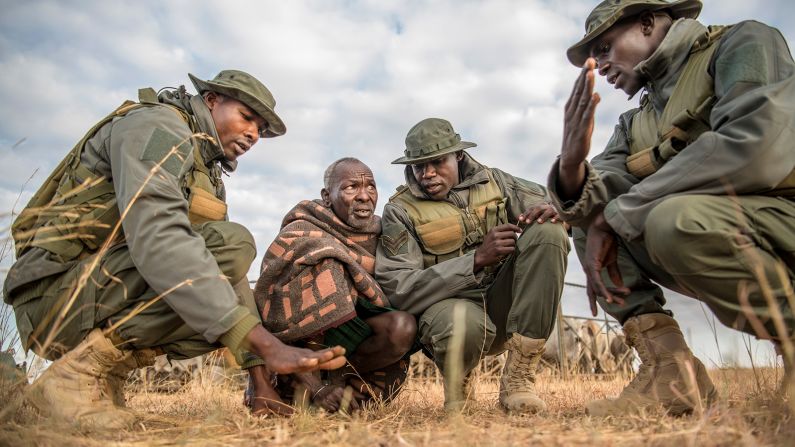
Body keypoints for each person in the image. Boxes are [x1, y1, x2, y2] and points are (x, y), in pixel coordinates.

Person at [4, 70, 346, 430]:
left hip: (97, 291)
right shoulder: (157, 126)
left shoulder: (207, 173)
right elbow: (159, 235)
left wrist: (259, 380)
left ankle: (101, 378)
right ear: (212, 100)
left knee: (220, 285)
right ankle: (75, 373)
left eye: (260, 129)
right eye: (247, 118)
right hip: (52, 301)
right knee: (234, 245)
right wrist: (264, 343)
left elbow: (225, 277)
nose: (252, 135)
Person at [549, 0, 795, 416]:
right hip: (722, 228)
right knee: (590, 221)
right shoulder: (635, 122)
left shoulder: (741, 43)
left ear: (648, 22)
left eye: (605, 48)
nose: (600, 65)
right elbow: (601, 191)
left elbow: (755, 144)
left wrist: (619, 214)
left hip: (780, 221)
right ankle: (671, 373)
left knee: (666, 220)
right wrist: (571, 167)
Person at [375, 118, 570, 413]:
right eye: (418, 166)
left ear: (459, 156)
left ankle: (519, 379)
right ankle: (459, 387)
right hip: (451, 313)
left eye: (437, 162)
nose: (427, 174)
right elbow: (398, 289)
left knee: (549, 230)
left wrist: (561, 210)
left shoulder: (498, 183)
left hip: (507, 308)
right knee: (461, 321)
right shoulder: (400, 211)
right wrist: (476, 260)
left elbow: (561, 203)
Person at [247, 158, 417, 415]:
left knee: (403, 327)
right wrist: (315, 387)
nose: (364, 196)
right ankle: (307, 386)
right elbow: (268, 305)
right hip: (295, 350)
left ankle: (339, 383)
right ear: (327, 197)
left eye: (371, 186)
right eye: (351, 187)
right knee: (328, 263)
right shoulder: (301, 232)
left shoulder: (384, 234)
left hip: (353, 341)